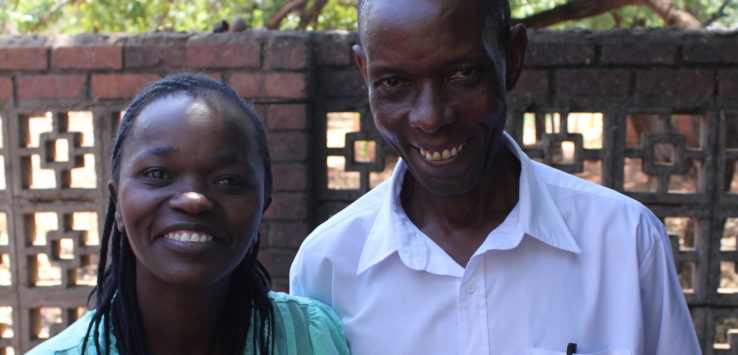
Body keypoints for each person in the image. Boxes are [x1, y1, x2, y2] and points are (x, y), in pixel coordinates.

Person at [289, 0, 702, 354]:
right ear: (365, 72)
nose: (431, 117)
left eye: (462, 74)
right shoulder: (327, 265)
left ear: (513, 57)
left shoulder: (625, 242)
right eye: (394, 83)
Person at [29, 74, 350, 355]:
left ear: (262, 207)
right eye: (157, 174)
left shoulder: (310, 337)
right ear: (118, 206)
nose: (194, 200)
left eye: (228, 180)